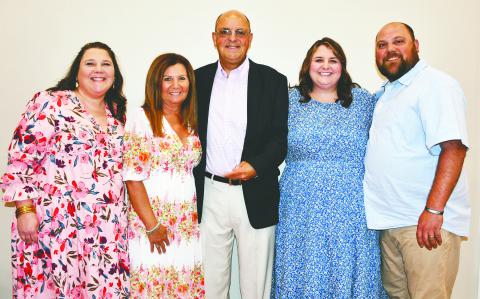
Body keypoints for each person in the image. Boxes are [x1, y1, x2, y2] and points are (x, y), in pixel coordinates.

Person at [0, 42, 129, 298]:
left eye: (106, 64)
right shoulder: (51, 103)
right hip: (55, 231)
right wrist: (24, 209)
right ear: (77, 73)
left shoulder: (117, 116)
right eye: (90, 63)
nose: (98, 69)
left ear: (114, 76)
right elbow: (20, 158)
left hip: (105, 236)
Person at [272, 38, 386, 298]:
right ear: (307, 65)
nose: (326, 66)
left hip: (352, 208)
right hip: (301, 207)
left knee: (350, 265)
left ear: (342, 67)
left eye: (333, 60)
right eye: (319, 60)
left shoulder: (363, 102)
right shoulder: (289, 101)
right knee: (301, 266)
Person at [364, 22, 470, 298]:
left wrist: (433, 211)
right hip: (390, 223)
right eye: (382, 45)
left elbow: (454, 148)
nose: (390, 50)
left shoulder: (436, 85)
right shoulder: (387, 93)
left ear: (416, 45)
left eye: (398, 41)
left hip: (424, 224)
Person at [193, 10, 288, 299]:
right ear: (214, 38)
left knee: (255, 284)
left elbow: (279, 138)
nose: (232, 39)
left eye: (239, 32)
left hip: (256, 190)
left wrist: (256, 166)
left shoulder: (273, 80)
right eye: (225, 31)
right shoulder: (196, 79)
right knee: (210, 283)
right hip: (209, 193)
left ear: (250, 39)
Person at [123, 53, 204, 298]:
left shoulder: (190, 121)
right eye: (167, 78)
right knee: (153, 289)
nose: (176, 85)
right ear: (156, 83)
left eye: (181, 78)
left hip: (185, 227)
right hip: (153, 226)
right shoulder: (142, 118)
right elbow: (132, 177)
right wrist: (152, 226)